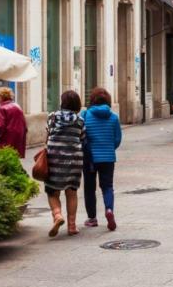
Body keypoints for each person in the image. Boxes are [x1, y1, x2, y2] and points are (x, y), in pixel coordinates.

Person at [45, 90, 86, 237]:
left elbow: (48, 133)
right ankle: (72, 226)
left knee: (52, 191)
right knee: (72, 192)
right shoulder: (80, 120)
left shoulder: (52, 117)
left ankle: (57, 215)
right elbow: (83, 137)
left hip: (54, 158)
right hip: (74, 160)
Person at [82, 88, 122, 230]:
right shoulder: (113, 117)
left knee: (89, 188)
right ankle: (109, 210)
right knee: (107, 186)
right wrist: (108, 148)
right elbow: (117, 140)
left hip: (90, 159)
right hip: (108, 157)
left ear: (92, 100)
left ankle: (92, 218)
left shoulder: (85, 114)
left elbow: (81, 135)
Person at [0, 87, 27, 158]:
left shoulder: (1, 108)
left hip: (7, 138)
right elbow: (24, 123)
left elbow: (1, 126)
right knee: (14, 158)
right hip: (18, 137)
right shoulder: (17, 106)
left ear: (1, 97)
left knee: (5, 159)